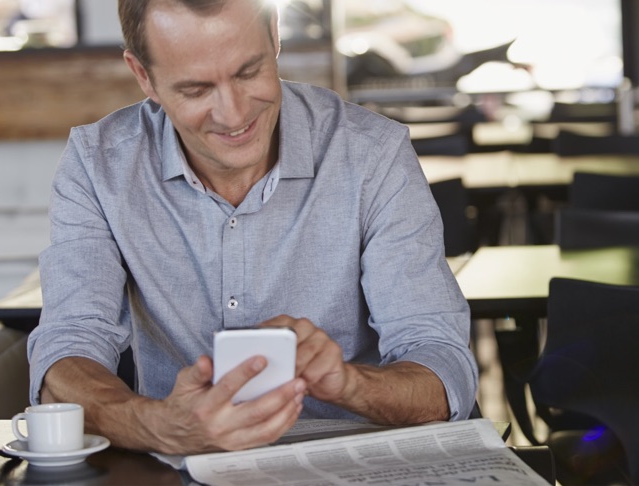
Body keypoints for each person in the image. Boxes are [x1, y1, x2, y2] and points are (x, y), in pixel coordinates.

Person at [27, 0, 477, 455]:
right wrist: (157, 425)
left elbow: (444, 371)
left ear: (275, 34)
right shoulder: (97, 164)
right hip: (182, 468)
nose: (233, 113)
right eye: (196, 89)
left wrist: (349, 384)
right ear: (144, 76)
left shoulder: (372, 154)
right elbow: (66, 353)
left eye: (248, 72)